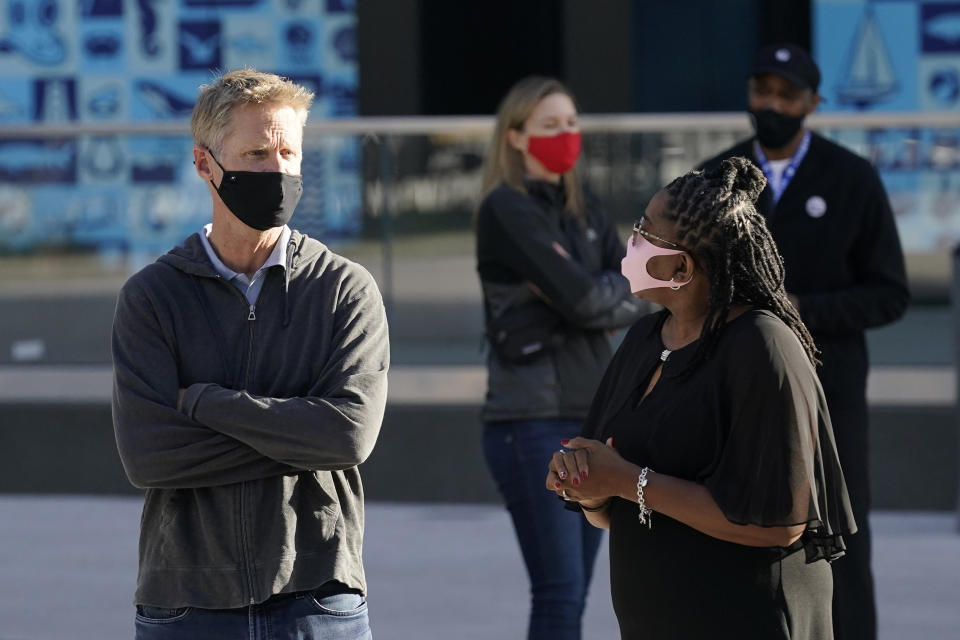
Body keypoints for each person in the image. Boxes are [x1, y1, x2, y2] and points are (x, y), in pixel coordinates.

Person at [111, 69, 389, 640]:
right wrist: (296, 432)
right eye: (257, 152)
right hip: (186, 601)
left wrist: (206, 403)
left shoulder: (343, 288)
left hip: (317, 596)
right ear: (204, 163)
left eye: (289, 151)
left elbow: (347, 438)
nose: (278, 169)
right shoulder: (152, 297)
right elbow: (148, 456)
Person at [547, 157, 857, 640]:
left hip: (749, 618)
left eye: (645, 231)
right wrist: (586, 486)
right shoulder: (644, 339)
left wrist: (630, 480)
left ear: (682, 265)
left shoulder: (762, 344)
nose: (631, 240)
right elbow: (612, 496)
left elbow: (779, 521)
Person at [699, 43, 909, 640]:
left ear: (813, 103)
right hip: (733, 386)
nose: (772, 104)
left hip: (829, 392)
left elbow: (889, 294)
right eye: (762, 90)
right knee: (736, 524)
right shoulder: (718, 178)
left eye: (787, 94)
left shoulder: (852, 179)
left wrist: (801, 311)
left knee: (839, 535)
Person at [475, 76, 646, 640]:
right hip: (530, 422)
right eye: (550, 125)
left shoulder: (585, 206)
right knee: (559, 592)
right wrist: (597, 292)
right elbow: (589, 300)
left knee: (576, 596)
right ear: (517, 137)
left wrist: (596, 292)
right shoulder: (506, 208)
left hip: (592, 418)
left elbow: (637, 287)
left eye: (572, 124)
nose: (566, 135)